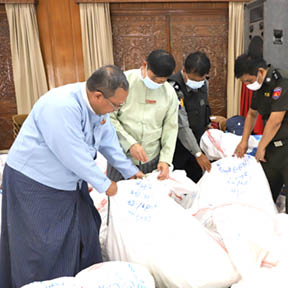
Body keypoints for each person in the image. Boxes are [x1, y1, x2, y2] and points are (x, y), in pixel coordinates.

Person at [0, 65, 145, 287]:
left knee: (86, 230)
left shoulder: (99, 110)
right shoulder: (60, 106)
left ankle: (79, 280)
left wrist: (130, 171)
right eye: (116, 105)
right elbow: (73, 154)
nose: (115, 110)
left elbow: (108, 142)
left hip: (70, 182)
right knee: (42, 245)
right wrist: (106, 184)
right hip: (35, 183)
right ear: (98, 95)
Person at [233, 38, 288, 228]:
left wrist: (260, 147)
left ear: (260, 72)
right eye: (244, 83)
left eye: (249, 81)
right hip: (273, 147)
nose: (247, 85)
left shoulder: (281, 82)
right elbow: (251, 114)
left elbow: (276, 120)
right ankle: (267, 235)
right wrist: (244, 141)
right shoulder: (259, 87)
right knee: (264, 194)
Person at [108, 49, 178, 181]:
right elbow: (109, 117)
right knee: (117, 197)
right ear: (145, 65)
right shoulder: (122, 82)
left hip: (151, 160)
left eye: (162, 81)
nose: (157, 84)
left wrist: (165, 159)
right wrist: (130, 144)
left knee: (148, 199)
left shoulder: (169, 93)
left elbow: (171, 127)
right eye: (154, 79)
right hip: (120, 158)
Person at [168, 51, 212, 182]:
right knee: (178, 183)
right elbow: (182, 125)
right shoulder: (173, 88)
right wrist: (197, 153)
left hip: (198, 143)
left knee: (198, 179)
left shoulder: (204, 83)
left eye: (201, 80)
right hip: (178, 145)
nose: (197, 83)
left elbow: (204, 108)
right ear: (184, 71)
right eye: (193, 80)